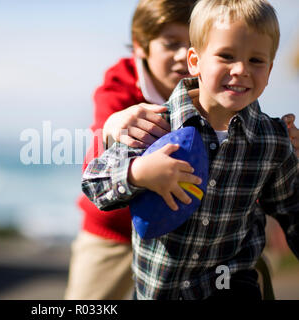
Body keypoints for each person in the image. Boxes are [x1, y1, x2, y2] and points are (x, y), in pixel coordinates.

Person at [81, 0, 298, 300]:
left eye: (256, 61)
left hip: (230, 283)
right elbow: (94, 180)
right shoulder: (152, 125)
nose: (241, 70)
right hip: (151, 274)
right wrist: (138, 172)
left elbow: (290, 205)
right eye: (226, 56)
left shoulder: (273, 141)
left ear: (270, 68)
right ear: (194, 61)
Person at [64, 0, 197, 300]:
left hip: (177, 233)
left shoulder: (208, 84)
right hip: (114, 231)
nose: (183, 56)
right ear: (141, 46)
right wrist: (113, 126)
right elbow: (95, 162)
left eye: (192, 44)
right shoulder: (120, 86)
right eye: (171, 43)